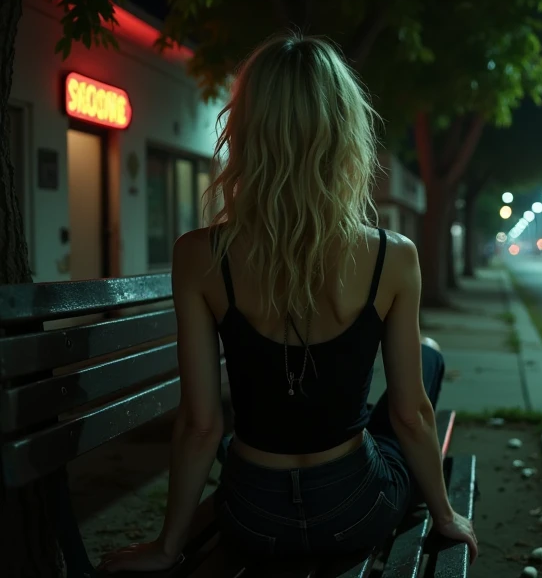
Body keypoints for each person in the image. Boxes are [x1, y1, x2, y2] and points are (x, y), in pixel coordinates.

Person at [98, 33, 477, 572]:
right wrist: (444, 516)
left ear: (246, 128)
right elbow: (413, 415)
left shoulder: (199, 256)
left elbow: (201, 425)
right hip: (354, 505)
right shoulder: (392, 256)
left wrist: (167, 545)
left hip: (251, 512)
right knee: (427, 363)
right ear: (344, 131)